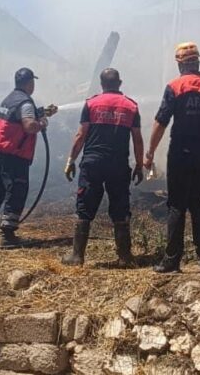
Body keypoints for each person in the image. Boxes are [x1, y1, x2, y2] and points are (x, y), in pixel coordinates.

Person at [144, 42, 200, 273]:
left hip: (180, 154)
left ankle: (172, 260)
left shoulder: (175, 87)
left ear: (180, 64)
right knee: (197, 202)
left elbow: (160, 123)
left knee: (177, 205)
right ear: (197, 62)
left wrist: (150, 153)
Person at [62, 68, 144, 267]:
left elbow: (81, 135)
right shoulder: (131, 106)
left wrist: (71, 160)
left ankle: (77, 256)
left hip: (93, 163)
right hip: (118, 165)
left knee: (85, 206)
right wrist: (139, 165)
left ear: (101, 84)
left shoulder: (91, 104)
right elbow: (137, 139)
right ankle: (124, 257)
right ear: (120, 83)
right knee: (120, 206)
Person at [0, 67, 51, 247]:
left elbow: (17, 119)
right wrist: (42, 123)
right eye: (32, 82)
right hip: (14, 155)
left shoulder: (9, 99)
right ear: (29, 83)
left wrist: (43, 112)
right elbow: (29, 126)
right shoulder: (25, 102)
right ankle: (7, 235)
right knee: (16, 190)